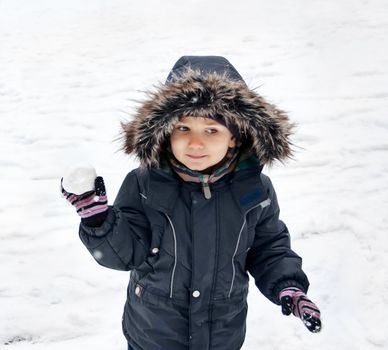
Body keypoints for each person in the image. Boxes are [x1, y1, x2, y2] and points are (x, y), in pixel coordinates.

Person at [61, 56, 322, 350]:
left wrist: (289, 285)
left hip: (222, 335)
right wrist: (98, 221)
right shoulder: (144, 183)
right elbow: (127, 253)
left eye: (212, 130)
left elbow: (269, 247)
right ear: (166, 132)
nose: (195, 143)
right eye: (183, 129)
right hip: (154, 335)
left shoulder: (255, 190)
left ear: (235, 137)